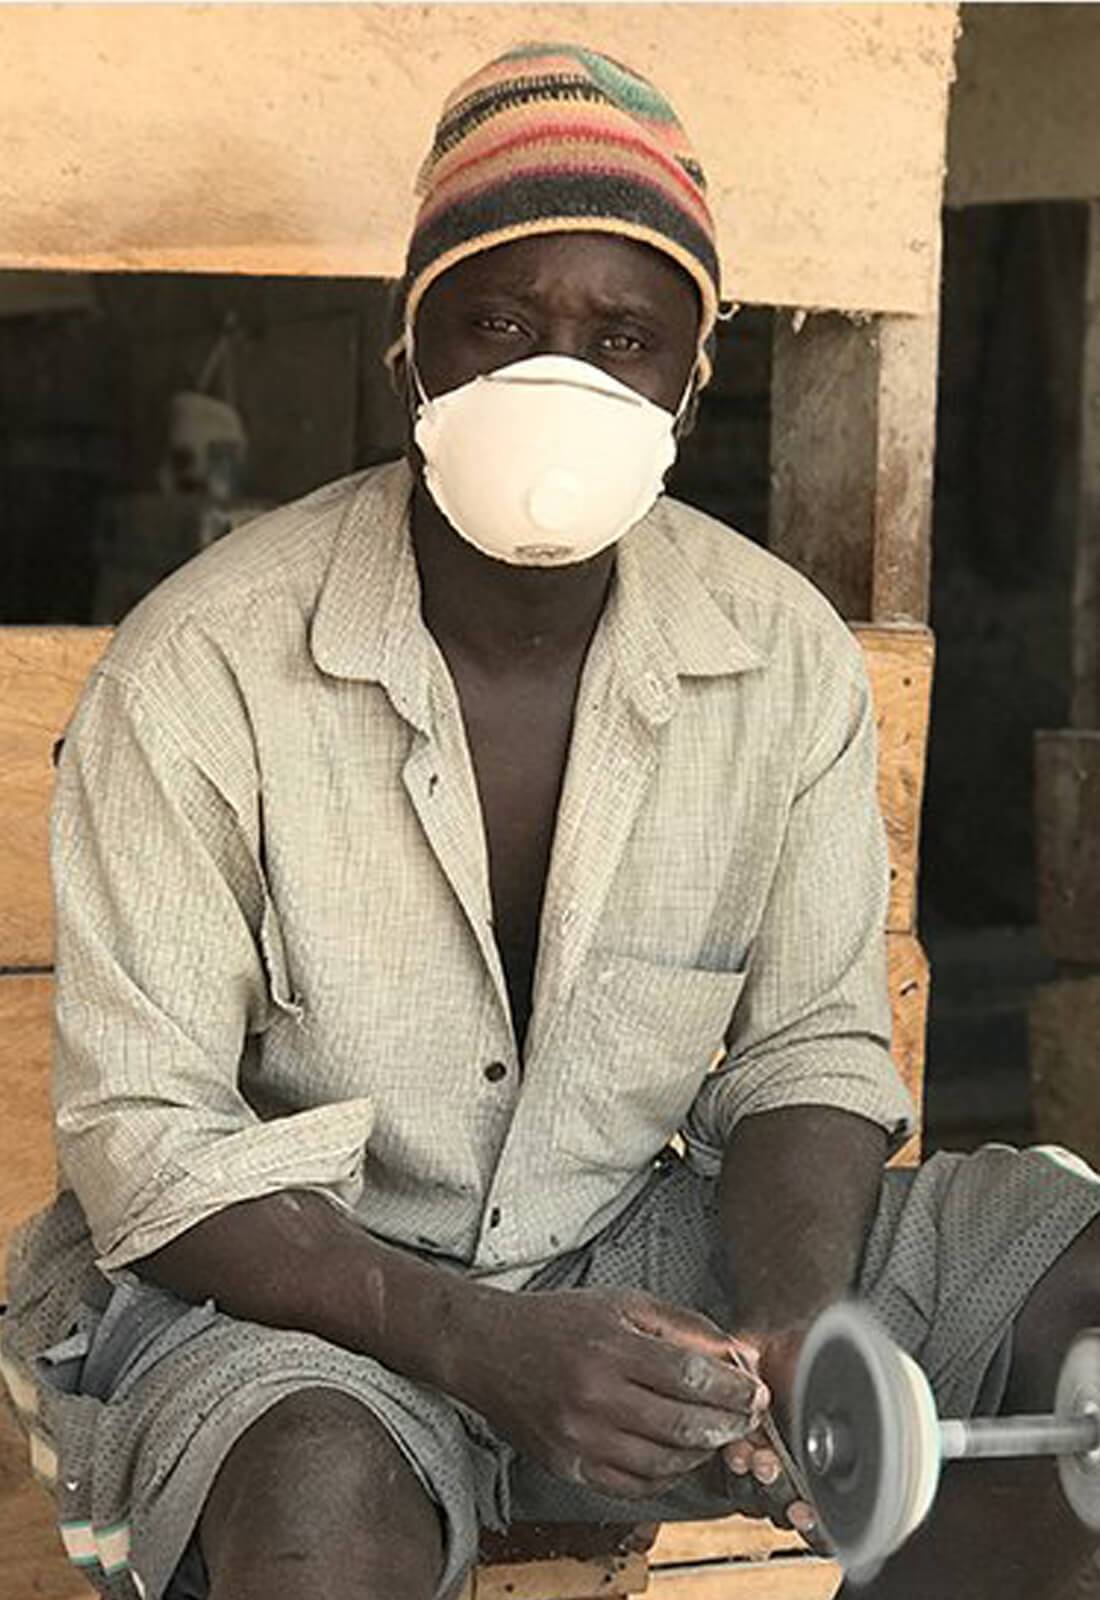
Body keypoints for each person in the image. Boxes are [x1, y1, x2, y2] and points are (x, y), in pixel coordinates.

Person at [2, 43, 1099, 1600]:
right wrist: (479, 1341)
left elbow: (808, 1048)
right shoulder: (201, 670)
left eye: (624, 336)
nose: (558, 378)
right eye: (501, 322)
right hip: (300, 1296)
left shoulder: (779, 656)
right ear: (413, 355)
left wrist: (787, 1337)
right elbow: (153, 1151)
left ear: (689, 382)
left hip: (634, 1239)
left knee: (1072, 1295)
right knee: (316, 1505)